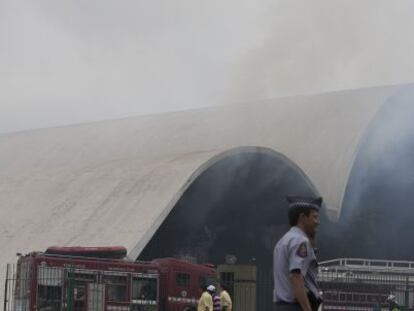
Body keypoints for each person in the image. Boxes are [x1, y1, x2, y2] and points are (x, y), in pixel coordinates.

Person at [273, 195, 323, 311]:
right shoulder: (300, 241)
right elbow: (296, 276)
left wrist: (312, 244)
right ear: (302, 217)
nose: (318, 222)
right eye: (314, 217)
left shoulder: (283, 241)